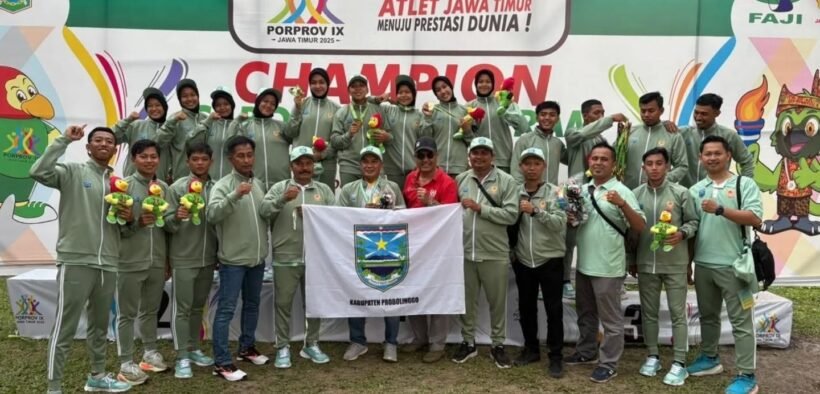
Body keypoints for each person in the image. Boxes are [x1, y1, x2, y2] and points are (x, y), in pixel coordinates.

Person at [31, 125, 132, 393]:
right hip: (76, 260)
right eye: (97, 140)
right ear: (88, 147)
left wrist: (128, 218)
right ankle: (54, 387)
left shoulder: (117, 183)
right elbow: (38, 171)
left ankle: (97, 376)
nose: (103, 144)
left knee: (100, 327)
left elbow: (121, 227)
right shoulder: (73, 172)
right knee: (65, 326)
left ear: (115, 149)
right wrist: (63, 140)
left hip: (108, 262)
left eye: (109, 141)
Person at [564, 142, 645, 383]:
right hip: (584, 264)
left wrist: (622, 204)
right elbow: (577, 222)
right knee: (586, 314)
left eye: (604, 159)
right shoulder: (581, 189)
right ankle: (587, 352)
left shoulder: (622, 191)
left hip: (609, 267)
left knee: (610, 320)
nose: (598, 162)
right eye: (595, 158)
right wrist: (570, 218)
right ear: (589, 162)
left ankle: (609, 363)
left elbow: (640, 226)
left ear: (614, 165)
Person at [686, 135, 762, 394]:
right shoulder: (696, 190)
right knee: (708, 316)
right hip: (704, 265)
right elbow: (692, 228)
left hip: (736, 267)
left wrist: (720, 209)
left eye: (717, 153)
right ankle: (709, 359)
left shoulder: (744, 184)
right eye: (707, 154)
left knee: (742, 321)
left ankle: (747, 375)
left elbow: (754, 219)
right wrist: (688, 264)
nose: (712, 158)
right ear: (700, 158)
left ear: (728, 155)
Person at [260, 146, 335, 368]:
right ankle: (282, 346)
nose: (304, 168)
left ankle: (311, 344)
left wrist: (315, 214)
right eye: (299, 163)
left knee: (313, 303)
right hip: (286, 256)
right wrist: (283, 199)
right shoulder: (279, 188)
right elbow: (264, 211)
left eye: (308, 163)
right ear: (291, 166)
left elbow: (335, 219)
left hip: (315, 258)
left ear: (314, 165)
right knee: (283, 303)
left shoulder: (323, 190)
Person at [630, 147, 698, 386]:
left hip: (675, 263)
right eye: (650, 163)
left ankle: (679, 362)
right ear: (643, 167)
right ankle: (652, 356)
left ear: (668, 166)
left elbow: (694, 222)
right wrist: (632, 259)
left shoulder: (681, 193)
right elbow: (632, 231)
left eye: (659, 163)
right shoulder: (636, 194)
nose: (655, 168)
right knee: (649, 313)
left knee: (678, 314)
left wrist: (682, 233)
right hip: (646, 263)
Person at [452, 137, 518, 368]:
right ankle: (468, 342)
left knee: (496, 303)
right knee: (467, 302)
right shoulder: (461, 179)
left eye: (484, 153)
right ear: (469, 156)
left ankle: (498, 345)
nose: (479, 157)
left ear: (493, 156)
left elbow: (511, 215)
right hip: (465, 252)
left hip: (494, 253)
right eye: (475, 153)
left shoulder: (506, 181)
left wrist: (482, 208)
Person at [208, 136, 270, 381]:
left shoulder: (259, 184)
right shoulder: (223, 185)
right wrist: (234, 195)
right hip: (232, 261)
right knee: (226, 310)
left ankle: (246, 348)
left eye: (249, 155)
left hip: (256, 259)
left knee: (252, 305)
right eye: (240, 155)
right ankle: (222, 363)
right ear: (230, 159)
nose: (246, 159)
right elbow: (212, 214)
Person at [338, 146, 406, 362]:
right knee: (356, 293)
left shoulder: (392, 186)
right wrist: (361, 213)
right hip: (358, 249)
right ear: (359, 165)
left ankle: (391, 342)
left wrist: (384, 213)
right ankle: (357, 341)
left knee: (390, 292)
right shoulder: (349, 189)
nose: (369, 165)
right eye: (365, 161)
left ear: (381, 165)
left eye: (373, 161)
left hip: (388, 248)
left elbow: (404, 216)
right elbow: (337, 218)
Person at [115, 139, 170, 385]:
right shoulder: (123, 187)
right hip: (129, 260)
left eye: (153, 156)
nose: (149, 161)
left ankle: (149, 353)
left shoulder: (164, 188)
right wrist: (136, 222)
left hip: (157, 260)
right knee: (126, 314)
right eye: (143, 156)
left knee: (150, 310)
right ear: (134, 159)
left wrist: (167, 259)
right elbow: (116, 228)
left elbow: (167, 228)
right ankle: (126, 361)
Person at [401, 136, 459, 363]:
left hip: (439, 247)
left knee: (438, 292)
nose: (425, 160)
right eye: (420, 156)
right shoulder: (409, 178)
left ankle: (437, 344)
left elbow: (451, 216)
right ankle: (419, 338)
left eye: (429, 155)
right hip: (414, 245)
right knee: (413, 290)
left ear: (437, 156)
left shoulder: (447, 182)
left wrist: (430, 204)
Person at [511, 147, 567, 379]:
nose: (531, 168)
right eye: (527, 163)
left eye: (536, 163)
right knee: (526, 307)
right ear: (521, 167)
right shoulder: (514, 192)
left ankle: (556, 357)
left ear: (544, 166)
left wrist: (535, 212)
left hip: (550, 259)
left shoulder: (557, 192)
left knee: (554, 310)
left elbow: (560, 222)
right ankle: (531, 349)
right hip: (524, 260)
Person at [563, 100, 628, 299]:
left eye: (603, 112)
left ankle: (606, 278)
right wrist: (609, 120)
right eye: (596, 113)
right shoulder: (573, 134)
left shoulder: (600, 139)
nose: (600, 116)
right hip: (576, 192)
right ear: (585, 116)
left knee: (599, 234)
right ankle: (565, 280)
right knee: (570, 239)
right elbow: (581, 136)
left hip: (598, 190)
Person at [163, 143, 218, 379]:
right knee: (182, 309)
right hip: (184, 258)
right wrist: (176, 216)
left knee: (198, 307)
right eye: (195, 159)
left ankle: (194, 348)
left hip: (208, 258)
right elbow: (165, 223)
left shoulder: (217, 187)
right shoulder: (176, 188)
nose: (199, 163)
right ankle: (181, 356)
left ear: (210, 162)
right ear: (187, 162)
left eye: (204, 159)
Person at [679, 93, 755, 188]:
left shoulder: (729, 135)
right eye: (696, 112)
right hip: (687, 195)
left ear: (717, 113)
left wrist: (744, 188)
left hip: (718, 195)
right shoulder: (682, 133)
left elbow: (747, 161)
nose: (698, 118)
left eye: (704, 114)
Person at [286, 67, 341, 189]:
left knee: (325, 202)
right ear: (309, 85)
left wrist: (322, 155)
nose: (318, 86)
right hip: (301, 163)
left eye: (321, 82)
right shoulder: (302, 103)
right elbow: (290, 132)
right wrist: (297, 108)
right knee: (299, 198)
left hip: (326, 165)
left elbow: (337, 141)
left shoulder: (336, 109)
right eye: (313, 83)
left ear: (328, 84)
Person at [331, 75, 388, 187]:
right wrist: (349, 134)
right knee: (350, 202)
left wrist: (386, 136)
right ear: (349, 90)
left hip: (373, 165)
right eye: (354, 86)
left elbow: (390, 135)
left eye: (361, 86)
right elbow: (334, 141)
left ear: (367, 89)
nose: (358, 89)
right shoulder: (341, 113)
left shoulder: (377, 109)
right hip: (349, 166)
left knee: (375, 201)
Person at [623, 92, 688, 189]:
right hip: (629, 193)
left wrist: (663, 179)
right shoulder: (629, 133)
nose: (646, 114)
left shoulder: (672, 135)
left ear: (661, 111)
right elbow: (614, 159)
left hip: (659, 193)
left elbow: (682, 166)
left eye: (651, 111)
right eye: (643, 111)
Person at [468, 69, 529, 173]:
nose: (484, 84)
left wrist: (505, 110)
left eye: (488, 81)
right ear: (476, 85)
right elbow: (467, 137)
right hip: (480, 163)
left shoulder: (503, 101)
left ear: (493, 84)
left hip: (503, 161)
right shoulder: (469, 107)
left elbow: (523, 127)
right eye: (480, 81)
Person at [232, 87, 291, 191]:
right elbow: (230, 144)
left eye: (273, 103)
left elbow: (298, 136)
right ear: (258, 101)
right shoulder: (245, 127)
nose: (268, 105)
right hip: (254, 185)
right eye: (265, 101)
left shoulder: (282, 127)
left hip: (281, 186)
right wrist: (236, 121)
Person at [112, 87, 173, 181]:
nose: (154, 109)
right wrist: (127, 120)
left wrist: (170, 173)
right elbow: (112, 138)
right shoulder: (136, 125)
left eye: (157, 105)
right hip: (132, 183)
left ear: (164, 107)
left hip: (158, 184)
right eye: (150, 106)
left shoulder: (171, 129)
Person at [374, 74, 422, 188]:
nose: (404, 95)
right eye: (400, 92)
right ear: (396, 95)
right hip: (391, 171)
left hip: (413, 170)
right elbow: (369, 103)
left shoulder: (420, 116)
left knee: (412, 204)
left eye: (407, 92)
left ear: (414, 95)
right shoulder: (387, 110)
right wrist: (378, 99)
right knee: (393, 203)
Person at [421, 76, 473, 177]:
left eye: (445, 87)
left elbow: (472, 142)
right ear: (436, 95)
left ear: (451, 87)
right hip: (437, 169)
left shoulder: (465, 111)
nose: (443, 91)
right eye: (438, 90)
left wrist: (467, 131)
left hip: (460, 169)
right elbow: (425, 139)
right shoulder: (432, 111)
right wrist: (428, 119)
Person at [510, 101, 566, 185]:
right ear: (537, 118)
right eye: (543, 114)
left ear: (557, 119)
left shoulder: (558, 143)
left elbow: (573, 158)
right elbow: (516, 171)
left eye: (552, 115)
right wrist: (522, 193)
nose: (547, 118)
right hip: (530, 195)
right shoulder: (524, 140)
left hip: (552, 194)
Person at [161, 79, 207, 181]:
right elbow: (159, 142)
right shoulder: (174, 118)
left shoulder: (205, 118)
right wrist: (172, 121)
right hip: (181, 179)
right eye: (185, 96)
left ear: (198, 96)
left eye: (193, 94)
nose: (189, 99)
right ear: (180, 99)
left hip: (204, 179)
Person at [188, 87, 238, 180]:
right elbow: (191, 143)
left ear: (232, 105)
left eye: (226, 104)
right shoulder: (208, 125)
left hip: (231, 182)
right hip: (208, 181)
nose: (222, 108)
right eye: (218, 105)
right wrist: (207, 121)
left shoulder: (239, 127)